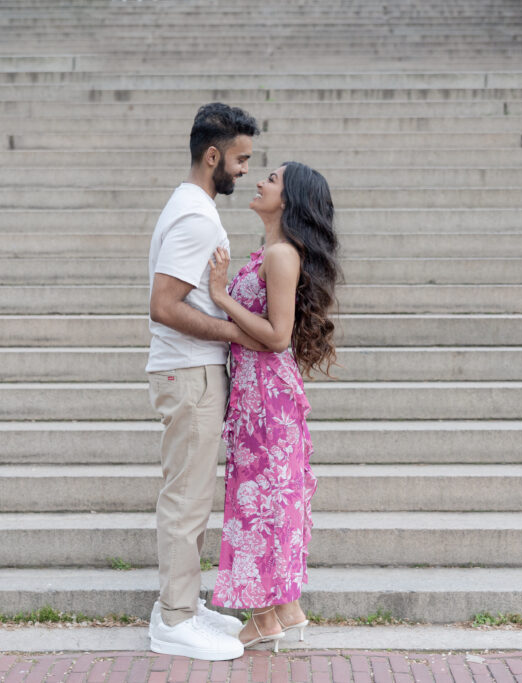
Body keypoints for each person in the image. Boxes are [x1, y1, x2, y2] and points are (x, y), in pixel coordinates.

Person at [146, 102, 263, 661]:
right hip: (189, 370)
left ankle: (181, 604)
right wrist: (232, 333)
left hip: (190, 368)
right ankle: (174, 620)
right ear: (212, 155)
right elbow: (164, 305)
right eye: (240, 158)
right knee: (188, 502)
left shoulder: (190, 205)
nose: (244, 169)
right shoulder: (197, 217)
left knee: (189, 496)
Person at [207, 162, 340, 651]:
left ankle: (263, 617)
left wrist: (221, 297)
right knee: (268, 498)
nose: (260, 181)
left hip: (265, 398)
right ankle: (286, 610)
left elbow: (278, 336)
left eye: (273, 178)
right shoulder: (272, 251)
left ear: (289, 199)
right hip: (257, 395)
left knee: (259, 502)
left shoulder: (282, 254)